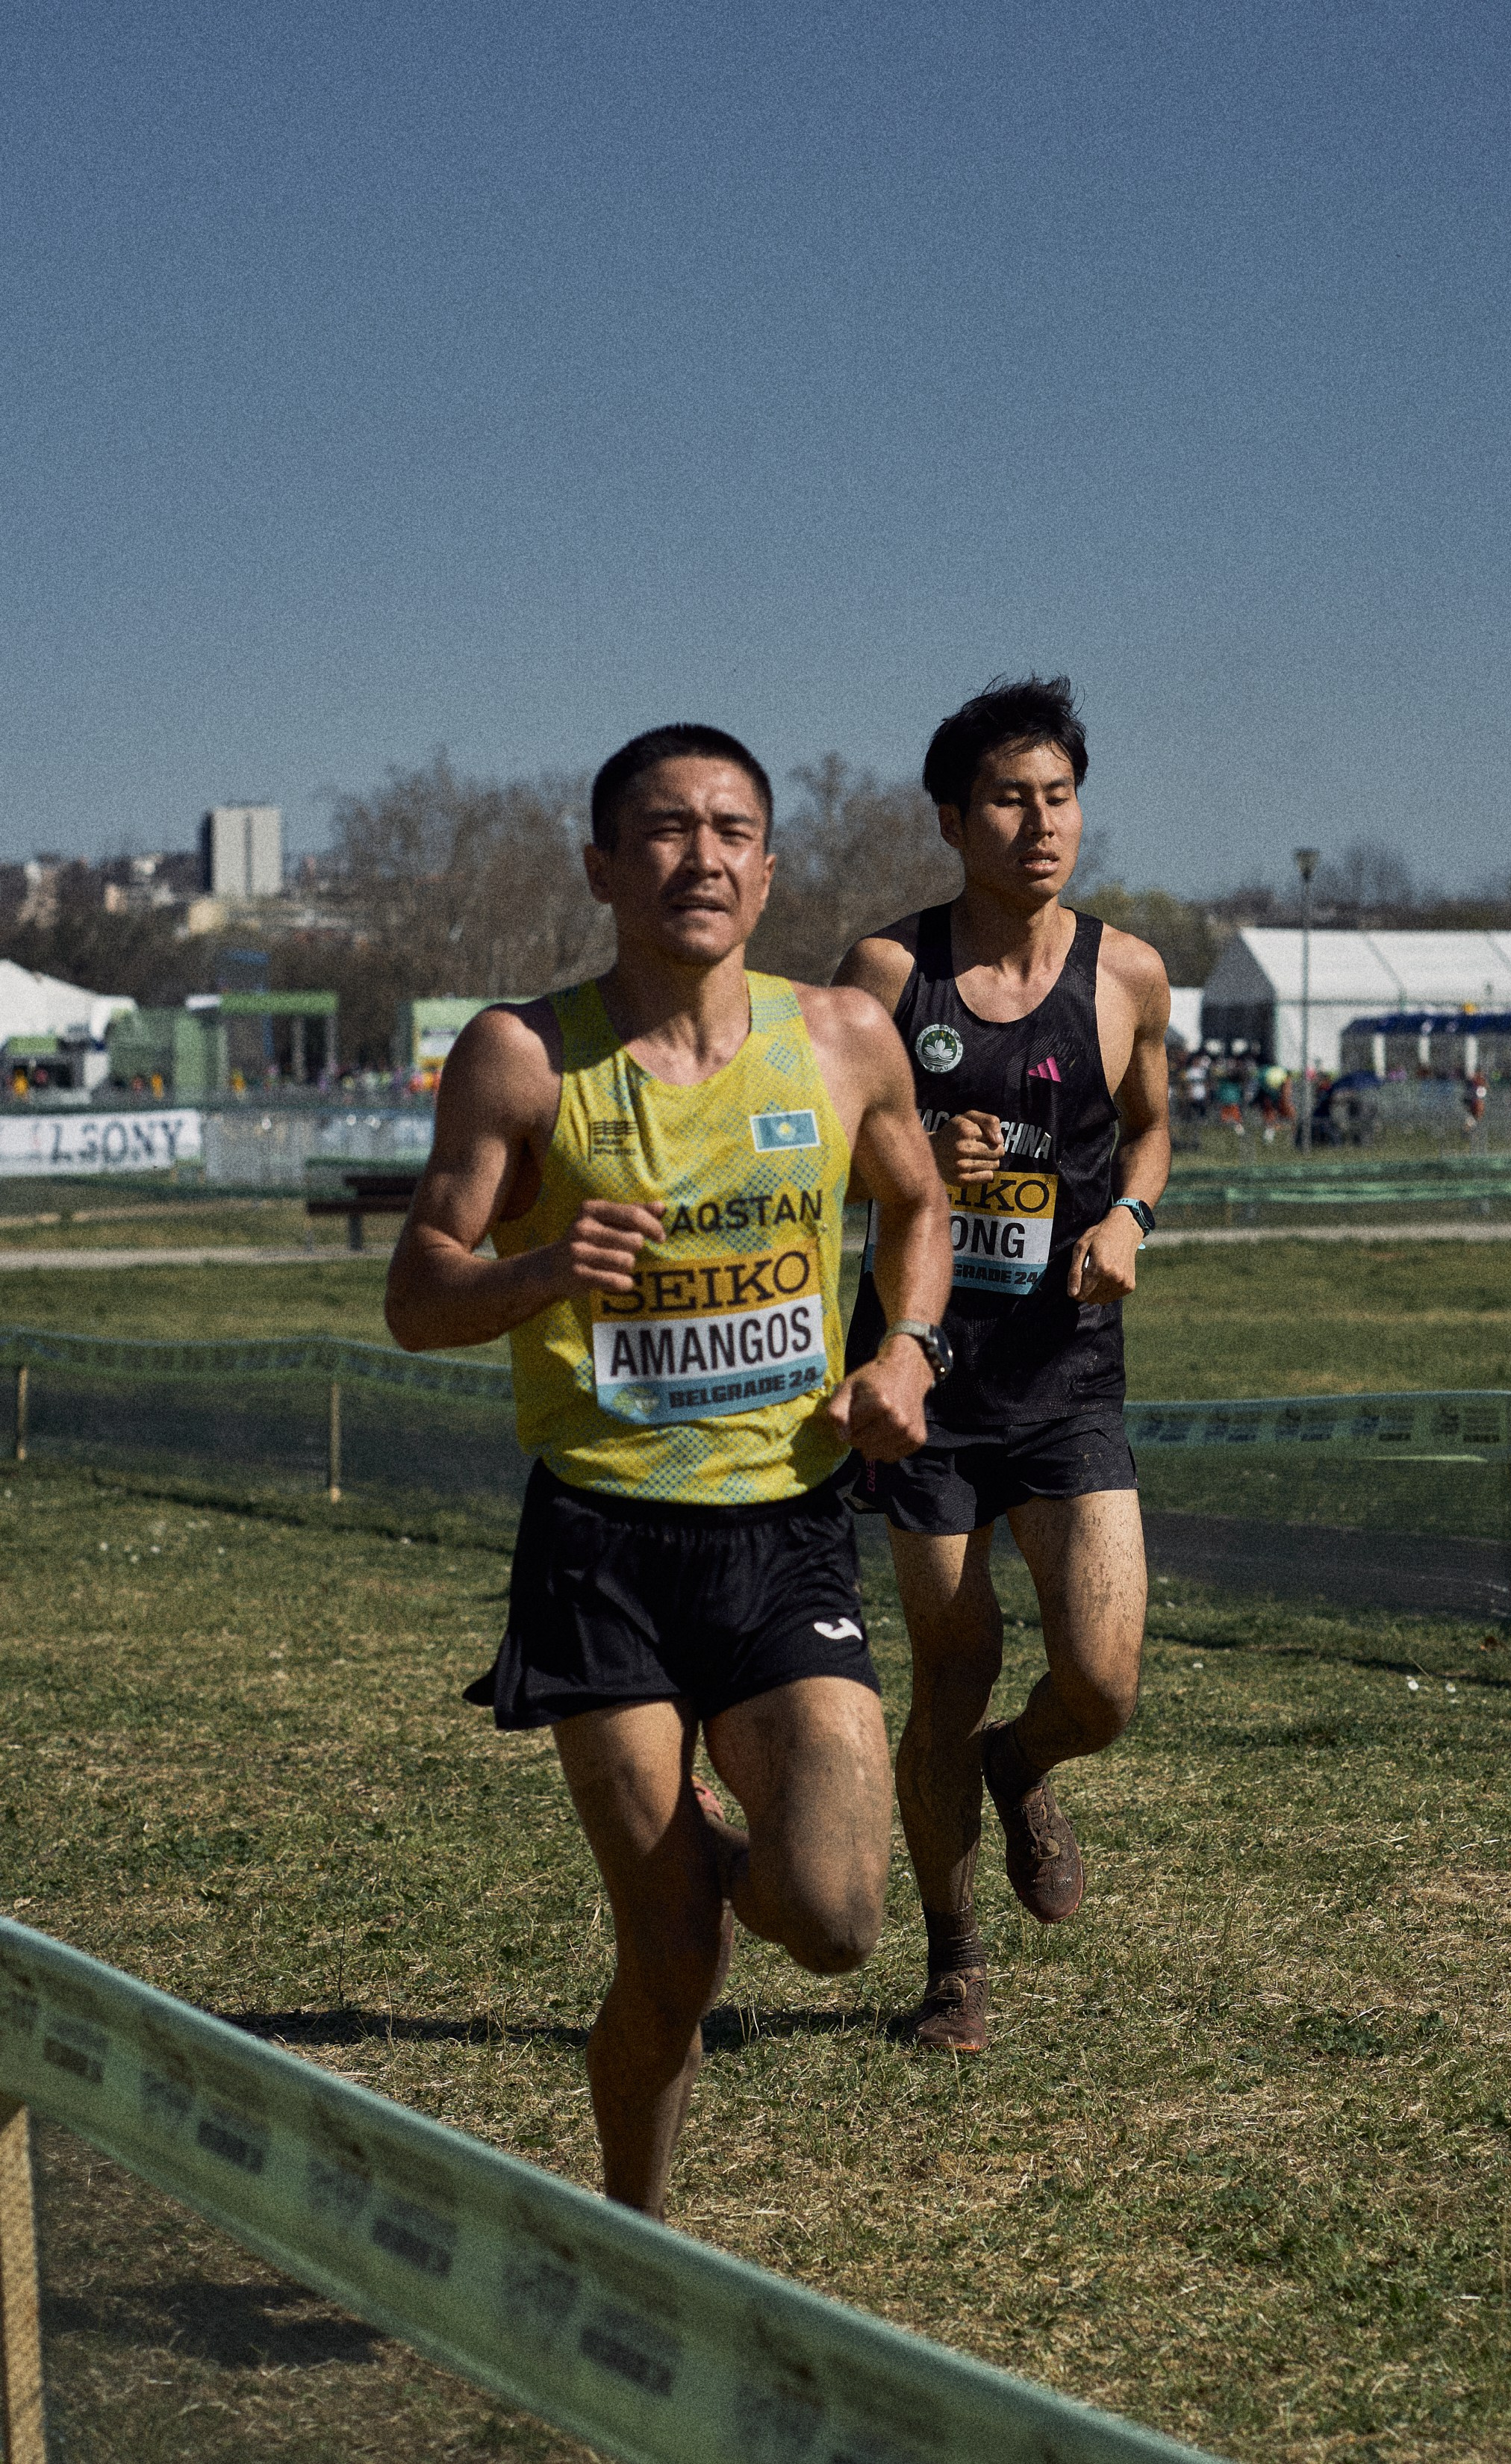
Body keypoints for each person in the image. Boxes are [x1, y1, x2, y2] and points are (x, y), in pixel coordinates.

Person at [384, 724, 952, 2215]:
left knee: (832, 1921)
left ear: (768, 870)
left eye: (728, 830)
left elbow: (920, 1208)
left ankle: (702, 1837)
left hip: (784, 1532)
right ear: (600, 864)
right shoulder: (523, 1055)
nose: (697, 856)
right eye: (661, 830)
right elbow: (418, 1296)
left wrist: (907, 1355)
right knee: (676, 1958)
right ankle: (637, 2239)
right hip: (604, 1553)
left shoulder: (840, 1038)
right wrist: (545, 1268)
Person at [835, 677, 1171, 2054]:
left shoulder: (1128, 972)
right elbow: (820, 1150)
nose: (1040, 825)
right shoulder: (882, 975)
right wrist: (917, 1151)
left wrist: (1127, 1218)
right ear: (951, 819)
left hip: (1066, 1374)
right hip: (929, 1388)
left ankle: (1023, 1765)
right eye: (1008, 801)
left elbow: (1152, 1130)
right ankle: (953, 1959)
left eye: (1059, 797)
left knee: (1101, 1682)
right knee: (952, 1665)